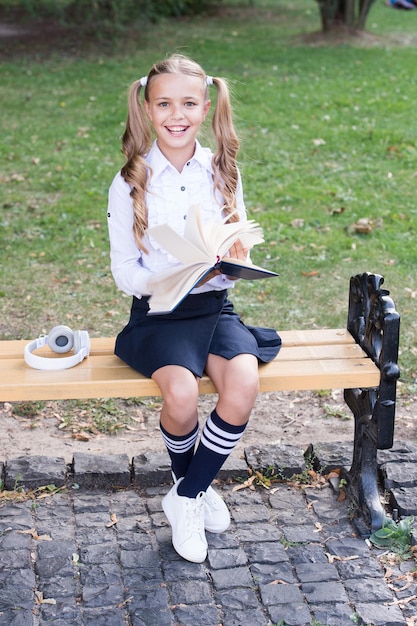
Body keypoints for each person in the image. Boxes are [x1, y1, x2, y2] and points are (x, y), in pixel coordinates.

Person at [107, 54, 281, 563]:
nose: (175, 114)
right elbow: (125, 272)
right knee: (181, 395)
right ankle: (196, 486)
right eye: (163, 103)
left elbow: (239, 243)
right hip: (159, 314)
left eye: (187, 103)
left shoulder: (222, 170)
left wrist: (232, 261)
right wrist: (171, 275)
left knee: (243, 383)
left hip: (215, 307)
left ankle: (185, 496)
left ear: (205, 107)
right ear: (147, 108)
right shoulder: (130, 181)